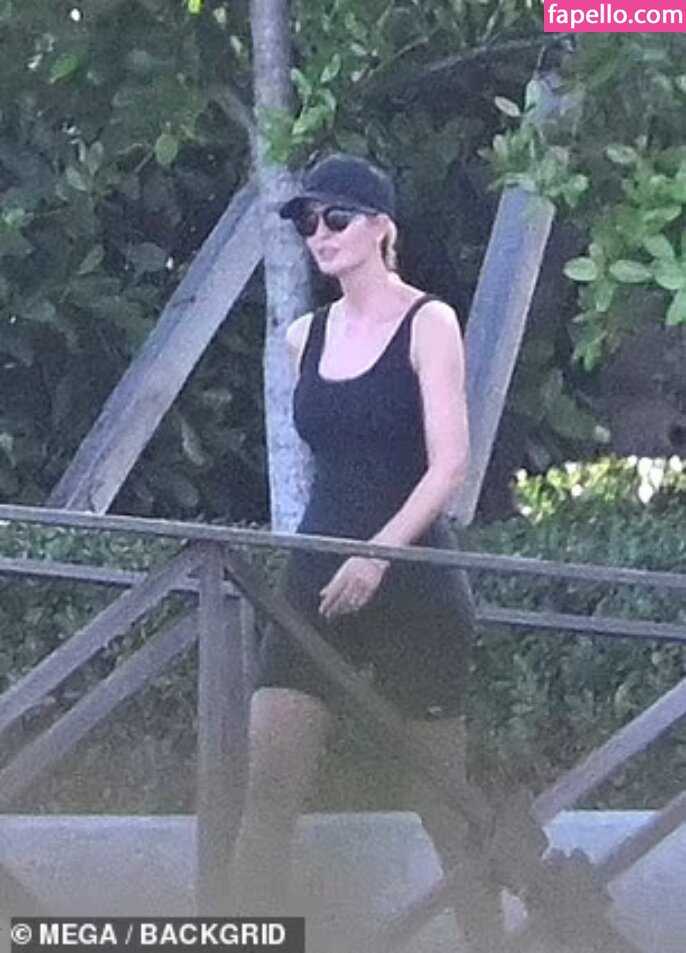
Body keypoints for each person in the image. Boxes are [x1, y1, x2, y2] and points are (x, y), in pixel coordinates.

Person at [230, 154, 496, 948]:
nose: (319, 233)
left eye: (335, 218)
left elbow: (450, 464)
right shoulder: (301, 336)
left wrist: (379, 555)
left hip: (414, 579)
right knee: (267, 788)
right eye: (307, 222)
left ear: (381, 227)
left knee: (442, 800)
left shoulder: (430, 322)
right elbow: (334, 464)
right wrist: (345, 556)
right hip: (317, 572)